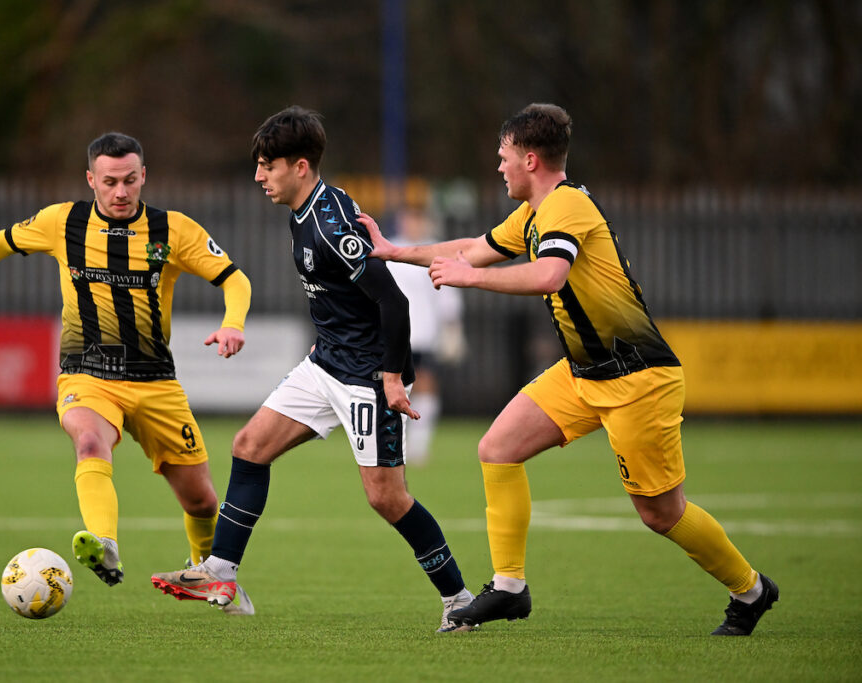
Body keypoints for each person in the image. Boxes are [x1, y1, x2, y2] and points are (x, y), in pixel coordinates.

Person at [358, 103, 779, 636]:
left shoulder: (567, 206)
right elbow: (472, 249)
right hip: (584, 372)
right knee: (497, 448)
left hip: (637, 378)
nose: (499, 166)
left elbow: (551, 275)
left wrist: (470, 280)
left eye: (503, 156)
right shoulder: (535, 212)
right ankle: (510, 587)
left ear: (530, 159)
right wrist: (393, 251)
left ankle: (752, 590)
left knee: (662, 514)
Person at [149, 106, 474, 632]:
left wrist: (392, 376)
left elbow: (394, 303)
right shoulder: (304, 211)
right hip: (325, 363)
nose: (259, 176)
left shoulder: (330, 225)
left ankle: (458, 600)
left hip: (367, 375)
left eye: (268, 166)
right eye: (258, 165)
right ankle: (221, 574)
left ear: (300, 166)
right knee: (248, 447)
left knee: (386, 497)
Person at [0, 132, 256, 615]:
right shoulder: (61, 221)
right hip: (86, 375)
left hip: (155, 382)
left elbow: (235, 278)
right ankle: (104, 541)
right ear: (90, 179)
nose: (120, 192)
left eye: (130, 180)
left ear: (143, 177)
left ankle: (214, 578)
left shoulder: (172, 230)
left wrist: (232, 324)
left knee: (200, 501)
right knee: (90, 442)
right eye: (110, 181)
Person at [386, 208, 465, 465]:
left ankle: (419, 446)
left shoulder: (434, 251)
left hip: (423, 333)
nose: (413, 223)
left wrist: (453, 328)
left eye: (418, 218)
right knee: (388, 387)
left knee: (426, 385)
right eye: (410, 217)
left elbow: (447, 292)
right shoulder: (390, 250)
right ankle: (391, 444)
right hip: (392, 333)